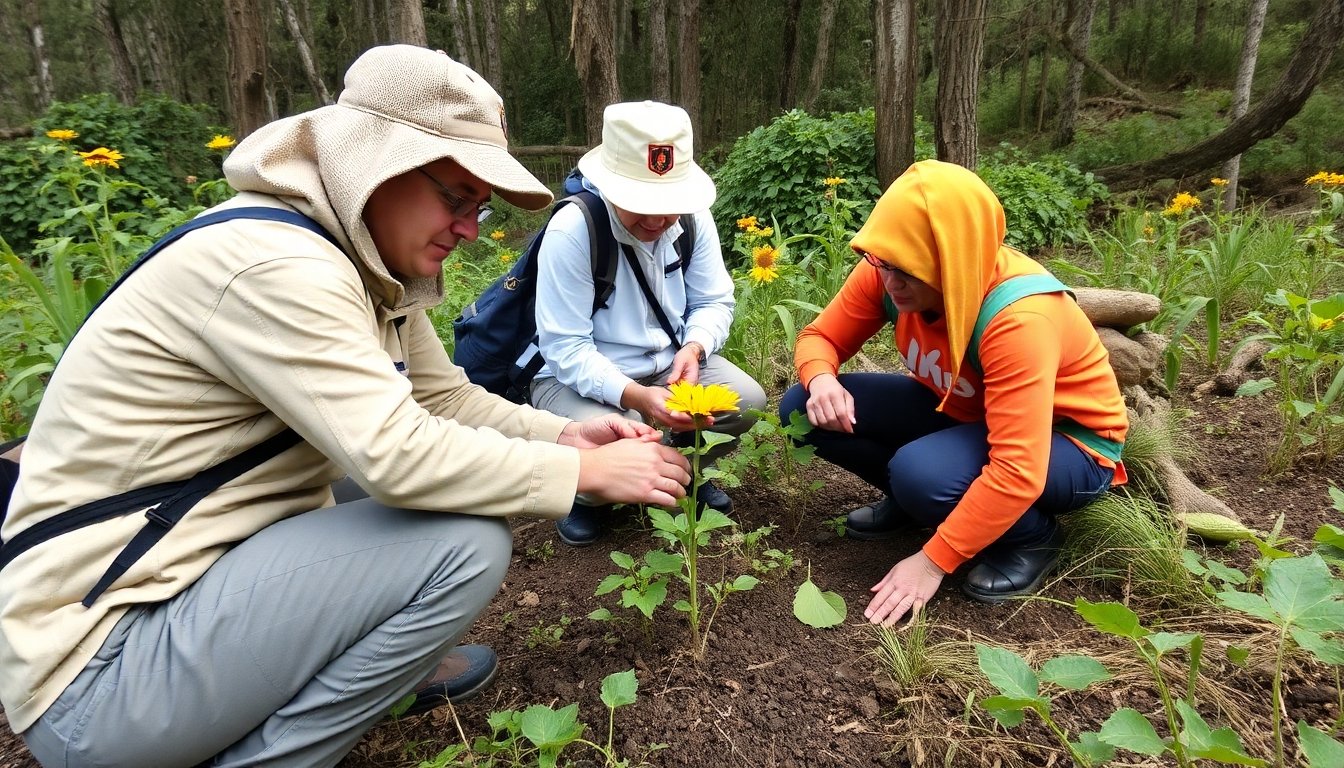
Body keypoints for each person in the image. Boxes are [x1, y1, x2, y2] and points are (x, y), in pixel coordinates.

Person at [0, 45, 691, 768]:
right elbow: (397, 456)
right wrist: (580, 476)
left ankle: (349, 656)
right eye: (455, 197)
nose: (469, 229)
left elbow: (444, 399)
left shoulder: (361, 264)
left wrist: (569, 433)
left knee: (417, 483)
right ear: (373, 162)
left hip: (181, 582)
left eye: (479, 208)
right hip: (100, 676)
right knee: (463, 542)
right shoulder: (279, 266)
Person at [779, 160, 1128, 627]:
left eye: (908, 270)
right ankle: (920, 505)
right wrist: (821, 378)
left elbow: (1018, 468)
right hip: (966, 412)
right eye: (884, 263)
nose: (890, 282)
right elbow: (820, 337)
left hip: (1069, 445)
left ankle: (1031, 540)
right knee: (802, 408)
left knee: (922, 475)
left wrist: (931, 562)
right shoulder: (886, 272)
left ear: (953, 263)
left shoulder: (1018, 319)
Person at [531, 101, 767, 547]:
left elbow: (715, 301)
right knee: (604, 440)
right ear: (609, 186)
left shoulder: (695, 220)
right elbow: (564, 348)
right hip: (574, 380)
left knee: (746, 401)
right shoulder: (573, 231)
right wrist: (637, 397)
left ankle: (681, 474)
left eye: (670, 204)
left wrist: (694, 348)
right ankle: (588, 498)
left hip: (665, 366)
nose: (658, 220)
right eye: (642, 204)